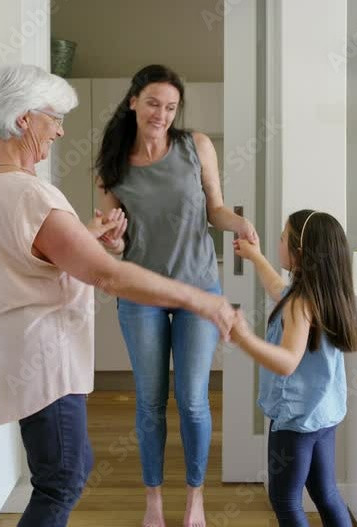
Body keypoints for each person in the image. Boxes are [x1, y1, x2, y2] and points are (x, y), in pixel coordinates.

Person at [0, 63, 237, 527]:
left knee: (68, 470)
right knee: (64, 481)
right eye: (53, 118)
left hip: (22, 354)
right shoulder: (32, 194)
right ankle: (155, 505)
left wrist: (88, 236)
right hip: (45, 358)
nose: (60, 130)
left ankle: (192, 501)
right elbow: (108, 276)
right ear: (24, 119)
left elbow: (38, 254)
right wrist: (200, 299)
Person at [94, 64, 259, 527]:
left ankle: (194, 501)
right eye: (153, 104)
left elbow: (216, 209)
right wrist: (113, 243)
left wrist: (239, 224)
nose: (161, 114)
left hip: (199, 289)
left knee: (192, 400)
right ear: (133, 102)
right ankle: (152, 503)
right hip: (141, 291)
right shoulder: (113, 162)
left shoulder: (195, 146)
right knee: (149, 401)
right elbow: (116, 241)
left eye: (170, 107)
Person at [230, 210, 357, 527]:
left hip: (295, 420)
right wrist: (256, 256)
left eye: (283, 237)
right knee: (325, 492)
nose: (279, 242)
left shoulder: (300, 303)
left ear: (299, 252)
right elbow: (278, 288)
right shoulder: (327, 295)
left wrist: (243, 338)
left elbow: (287, 362)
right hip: (322, 415)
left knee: (285, 500)